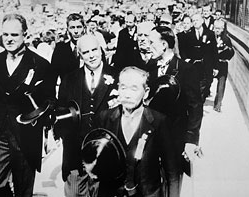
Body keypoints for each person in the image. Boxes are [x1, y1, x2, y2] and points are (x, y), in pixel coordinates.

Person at [0, 13, 56, 197]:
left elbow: (50, 100)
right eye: (5, 35)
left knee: (24, 189)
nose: (9, 39)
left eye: (14, 35)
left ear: (25, 35)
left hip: (26, 137)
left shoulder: (40, 64)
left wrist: (42, 117)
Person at [98, 66, 180, 197]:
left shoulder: (159, 121)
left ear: (146, 92)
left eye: (134, 88)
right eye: (123, 88)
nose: (127, 94)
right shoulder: (105, 118)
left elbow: (172, 172)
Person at [54, 34, 117, 197]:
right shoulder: (69, 79)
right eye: (86, 52)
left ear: (101, 50)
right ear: (80, 55)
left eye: (94, 50)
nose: (91, 55)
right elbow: (60, 114)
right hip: (76, 157)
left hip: (106, 155)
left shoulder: (117, 76)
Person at [147, 26, 203, 193]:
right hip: (152, 139)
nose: (147, 45)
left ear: (164, 44)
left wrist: (191, 140)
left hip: (175, 139)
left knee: (173, 182)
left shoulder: (186, 70)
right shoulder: (150, 68)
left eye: (151, 42)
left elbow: (195, 107)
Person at [179, 13, 218, 102]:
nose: (195, 22)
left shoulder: (210, 34)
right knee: (195, 86)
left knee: (207, 84)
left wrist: (216, 67)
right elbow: (183, 49)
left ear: (202, 21)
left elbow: (214, 51)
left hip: (206, 65)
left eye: (197, 20)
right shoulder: (188, 34)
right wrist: (186, 59)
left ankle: (200, 101)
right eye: (193, 21)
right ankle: (197, 106)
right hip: (193, 65)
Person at [51, 13, 86, 83]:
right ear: (67, 30)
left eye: (79, 27)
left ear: (84, 28)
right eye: (72, 27)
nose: (76, 31)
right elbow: (52, 76)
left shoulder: (92, 48)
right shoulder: (60, 49)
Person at [213, 20, 234, 112]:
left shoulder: (226, 39)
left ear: (222, 29)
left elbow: (231, 52)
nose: (216, 30)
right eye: (215, 28)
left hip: (222, 64)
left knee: (221, 84)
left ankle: (218, 104)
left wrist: (225, 56)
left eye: (218, 28)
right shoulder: (210, 37)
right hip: (212, 63)